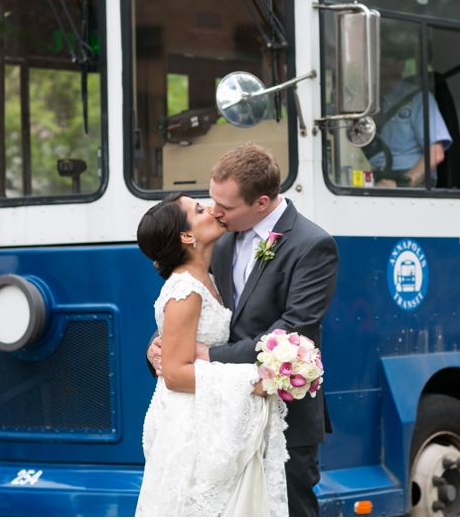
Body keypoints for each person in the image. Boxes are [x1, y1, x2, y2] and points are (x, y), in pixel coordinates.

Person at [146, 142, 339, 517]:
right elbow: (192, 303)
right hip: (222, 420)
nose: (216, 212)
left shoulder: (313, 245)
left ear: (262, 203)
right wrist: (159, 347)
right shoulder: (218, 238)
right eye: (210, 201)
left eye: (227, 206)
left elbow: (295, 330)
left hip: (283, 414)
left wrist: (208, 356)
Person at [135, 192, 289, 516]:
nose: (213, 209)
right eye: (201, 209)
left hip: (209, 415)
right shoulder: (185, 290)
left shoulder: (207, 278)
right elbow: (176, 374)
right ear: (187, 235)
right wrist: (253, 380)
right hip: (190, 424)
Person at [366, 31, 453, 188]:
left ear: (401, 66)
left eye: (383, 64)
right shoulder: (364, 101)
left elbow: (436, 153)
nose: (377, 71)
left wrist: (403, 182)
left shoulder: (418, 99)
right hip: (366, 176)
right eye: (374, 65)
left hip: (408, 181)